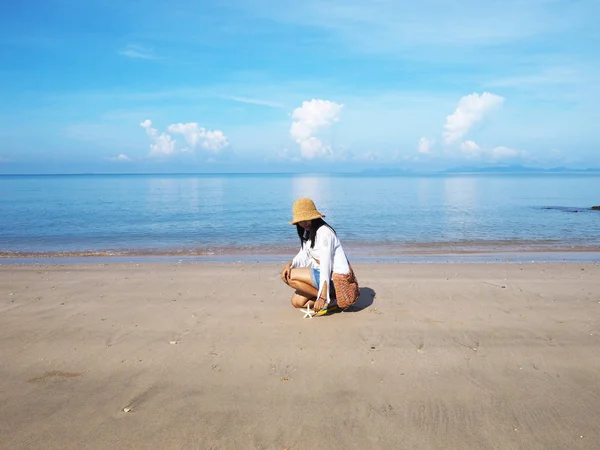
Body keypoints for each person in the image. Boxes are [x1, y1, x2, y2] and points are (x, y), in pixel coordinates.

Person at [281, 197, 353, 314]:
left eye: (306, 219)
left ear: (314, 217)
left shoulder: (324, 232)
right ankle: (332, 300)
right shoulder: (310, 233)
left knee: (290, 276)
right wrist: (290, 264)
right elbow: (304, 254)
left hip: (334, 279)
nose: (303, 223)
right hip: (323, 277)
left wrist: (323, 296)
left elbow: (326, 264)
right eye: (300, 220)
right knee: (297, 302)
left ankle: (326, 298)